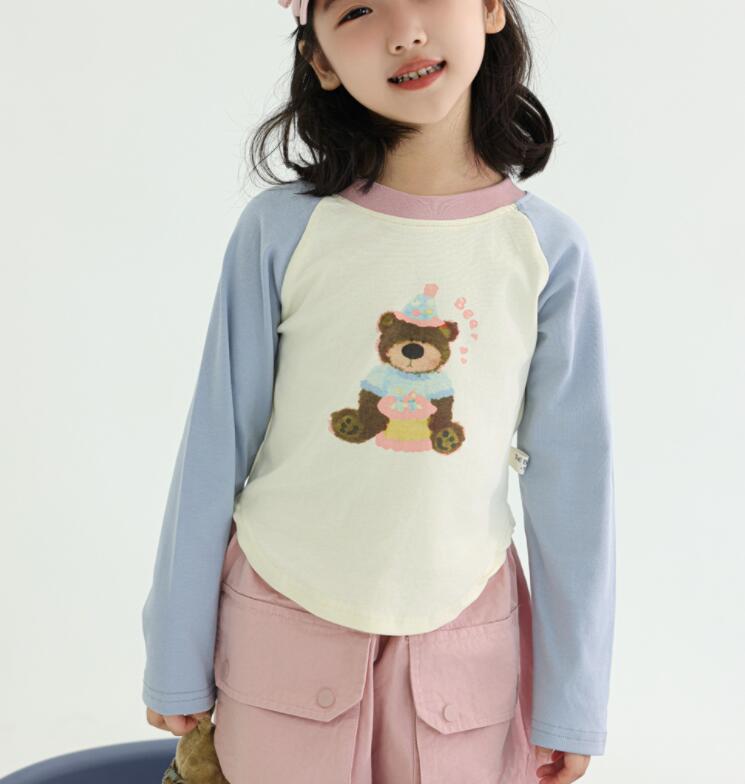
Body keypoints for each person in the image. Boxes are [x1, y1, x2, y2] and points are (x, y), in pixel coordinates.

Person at [142, 1, 616, 782]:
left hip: (465, 644)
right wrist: (175, 653)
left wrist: (572, 699)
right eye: (359, 9)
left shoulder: (544, 250)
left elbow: (574, 487)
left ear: (489, 9)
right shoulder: (282, 230)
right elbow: (214, 445)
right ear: (320, 60)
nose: (404, 30)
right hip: (280, 625)